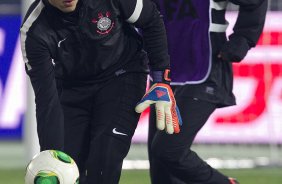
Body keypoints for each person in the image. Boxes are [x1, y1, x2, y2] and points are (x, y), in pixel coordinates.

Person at [20, 0, 181, 183]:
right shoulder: (33, 31)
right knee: (64, 170)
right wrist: (52, 157)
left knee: (105, 160)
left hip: (122, 76)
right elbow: (47, 100)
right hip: (72, 90)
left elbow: (151, 18)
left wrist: (161, 80)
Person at [146, 0, 268, 184]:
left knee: (168, 150)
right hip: (165, 73)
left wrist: (242, 40)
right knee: (161, 168)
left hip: (206, 68)